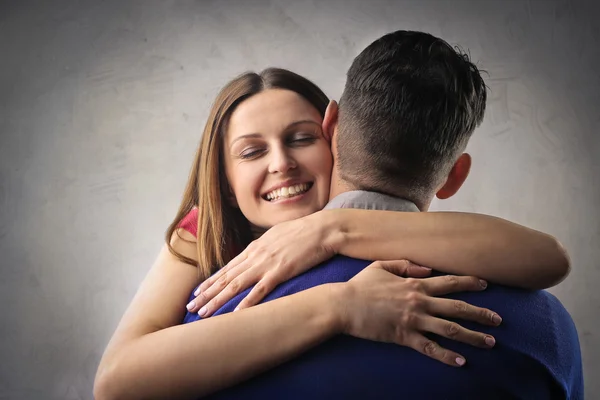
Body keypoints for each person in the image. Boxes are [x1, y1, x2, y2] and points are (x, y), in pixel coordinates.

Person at [93, 43, 573, 399]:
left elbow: (547, 258)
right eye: (252, 151)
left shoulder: (373, 233)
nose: (281, 163)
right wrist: (341, 305)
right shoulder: (204, 234)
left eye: (300, 138)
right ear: (224, 182)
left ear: (333, 136)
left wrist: (330, 228)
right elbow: (117, 379)